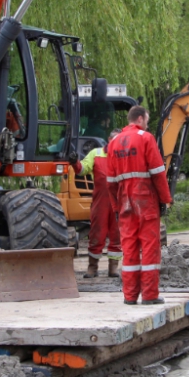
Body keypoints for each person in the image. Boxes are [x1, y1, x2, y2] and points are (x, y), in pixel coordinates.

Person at [106, 106, 172, 305]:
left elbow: (110, 182)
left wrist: (116, 208)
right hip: (145, 200)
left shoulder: (113, 143)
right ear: (141, 118)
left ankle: (130, 296)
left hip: (124, 200)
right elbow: (158, 173)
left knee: (129, 247)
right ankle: (150, 295)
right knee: (150, 247)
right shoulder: (146, 138)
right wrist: (165, 199)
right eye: (147, 120)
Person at [72, 129, 123, 278]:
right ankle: (92, 268)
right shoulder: (96, 153)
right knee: (96, 234)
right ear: (109, 139)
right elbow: (82, 170)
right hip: (100, 202)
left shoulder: (123, 157)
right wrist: (75, 162)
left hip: (119, 202)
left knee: (117, 235)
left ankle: (113, 269)